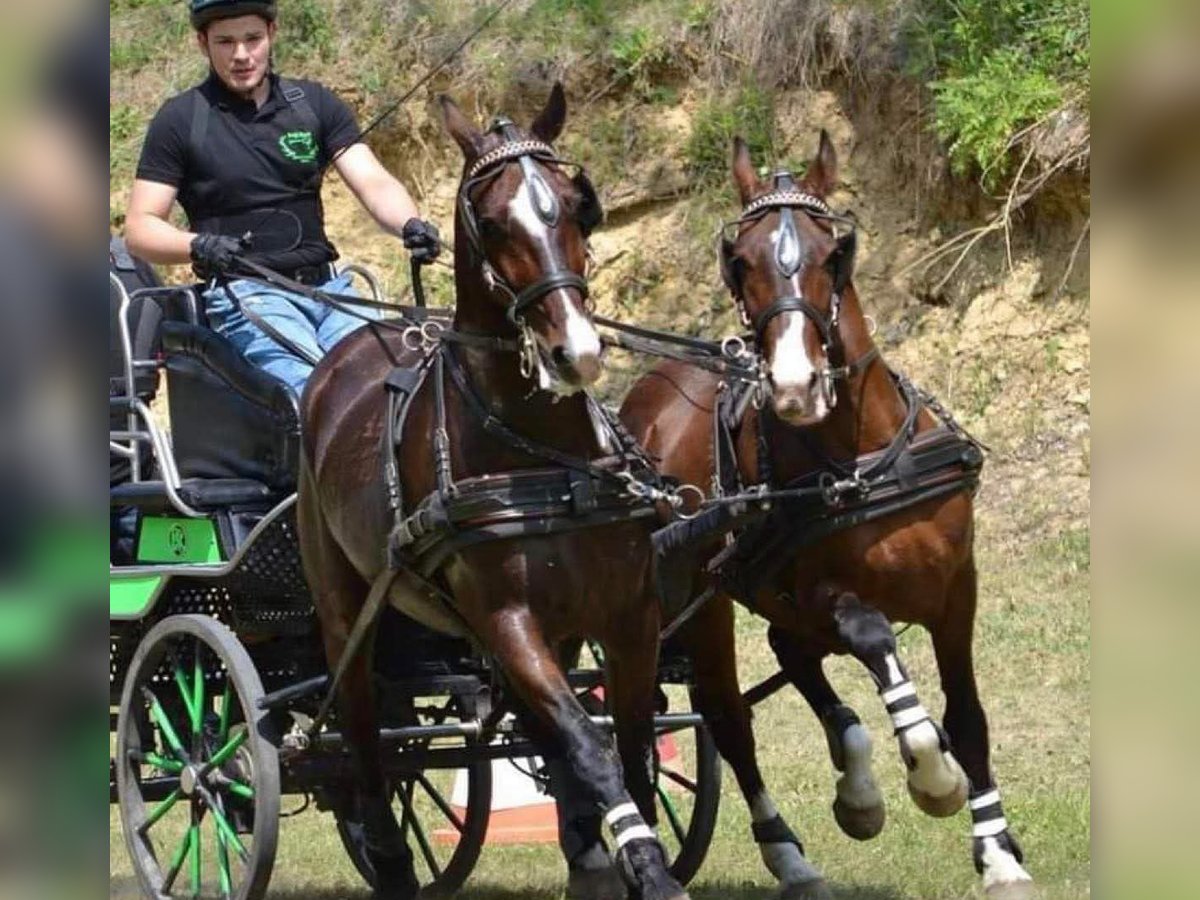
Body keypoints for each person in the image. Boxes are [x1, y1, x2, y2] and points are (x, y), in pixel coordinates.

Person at [124, 0, 440, 397]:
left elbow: (373, 182)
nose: (241, 55)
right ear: (203, 43)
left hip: (331, 291)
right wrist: (199, 245)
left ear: (272, 34)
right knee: (318, 395)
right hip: (246, 296)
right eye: (225, 42)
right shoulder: (181, 119)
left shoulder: (313, 105)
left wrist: (409, 224)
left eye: (252, 39)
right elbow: (140, 227)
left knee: (399, 389)